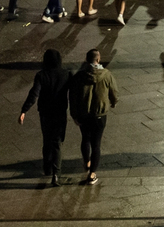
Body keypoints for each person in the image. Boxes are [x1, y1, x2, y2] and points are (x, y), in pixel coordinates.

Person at [19, 49, 72, 186]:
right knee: (57, 142)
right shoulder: (66, 74)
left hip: (45, 113)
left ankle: (47, 168)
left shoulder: (41, 75)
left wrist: (24, 110)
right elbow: (73, 94)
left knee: (47, 140)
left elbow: (34, 94)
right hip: (60, 112)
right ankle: (56, 174)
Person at [67, 48, 118, 185]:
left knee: (85, 139)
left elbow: (73, 97)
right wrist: (113, 102)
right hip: (100, 114)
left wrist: (74, 114)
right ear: (98, 59)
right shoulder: (107, 75)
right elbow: (114, 92)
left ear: (86, 60)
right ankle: (92, 174)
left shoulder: (79, 76)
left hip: (84, 114)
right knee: (96, 144)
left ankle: (87, 161)